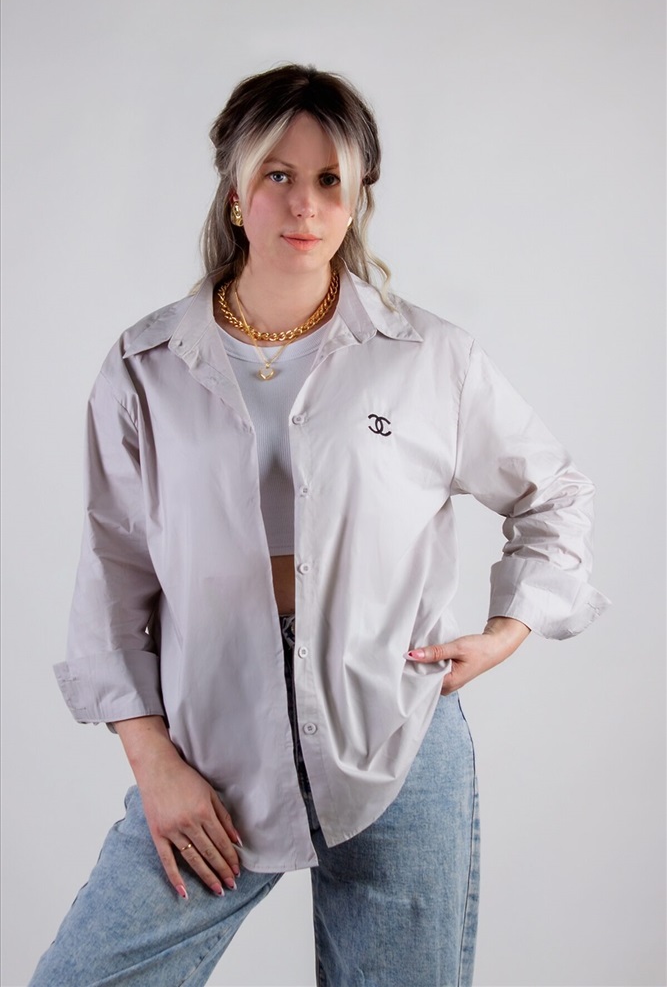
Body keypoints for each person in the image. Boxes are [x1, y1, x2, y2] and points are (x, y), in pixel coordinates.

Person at [31, 64, 609, 987]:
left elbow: (553, 490)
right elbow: (114, 569)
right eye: (278, 175)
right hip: (210, 747)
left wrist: (508, 629)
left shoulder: (425, 358)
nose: (304, 204)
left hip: (399, 733)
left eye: (330, 180)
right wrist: (152, 762)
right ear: (235, 192)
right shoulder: (147, 366)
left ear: (357, 198)